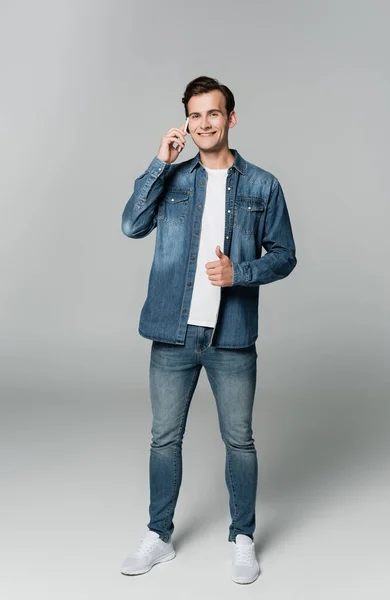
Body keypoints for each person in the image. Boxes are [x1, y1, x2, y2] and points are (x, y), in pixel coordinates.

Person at [120, 75, 297, 584]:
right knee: (163, 438)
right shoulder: (173, 179)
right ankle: (158, 536)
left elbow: (285, 255)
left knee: (239, 440)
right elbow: (131, 225)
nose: (203, 124)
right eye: (194, 115)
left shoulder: (263, 185)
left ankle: (243, 538)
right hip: (172, 333)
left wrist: (239, 273)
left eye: (213, 114)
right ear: (187, 121)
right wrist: (160, 161)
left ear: (230, 119)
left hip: (231, 335)